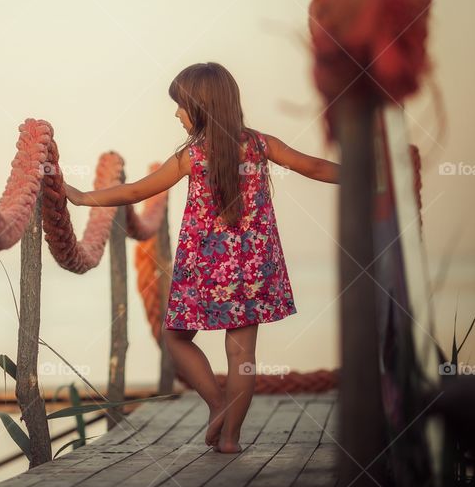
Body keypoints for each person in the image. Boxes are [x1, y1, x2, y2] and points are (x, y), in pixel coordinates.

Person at [63, 62, 339, 453]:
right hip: (254, 267)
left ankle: (218, 404)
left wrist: (81, 197)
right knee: (242, 355)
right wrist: (366, 175)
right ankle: (230, 439)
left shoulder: (192, 156)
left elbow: (136, 192)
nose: (177, 113)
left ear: (202, 107)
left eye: (181, 105)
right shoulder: (261, 145)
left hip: (206, 267)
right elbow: (314, 166)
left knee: (176, 338)